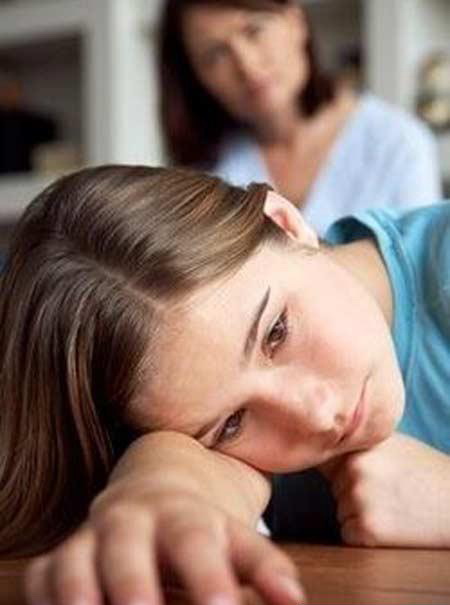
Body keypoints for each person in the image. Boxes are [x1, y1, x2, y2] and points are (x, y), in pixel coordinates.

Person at [0, 166, 449, 605]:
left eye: (276, 333)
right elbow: (186, 472)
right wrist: (153, 491)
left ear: (285, 224)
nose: (313, 414)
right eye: (233, 423)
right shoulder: (215, 437)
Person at [159, 0, 442, 235]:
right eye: (215, 54)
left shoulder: (398, 142)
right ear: (195, 77)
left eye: (254, 30)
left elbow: (421, 278)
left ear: (296, 21)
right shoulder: (203, 171)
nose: (246, 64)